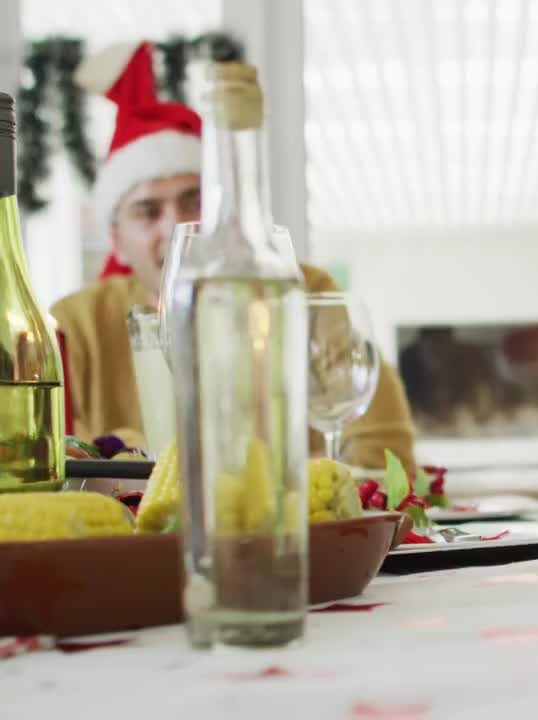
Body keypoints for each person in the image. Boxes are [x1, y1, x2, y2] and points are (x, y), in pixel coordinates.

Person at [51, 42, 417, 470]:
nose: (174, 228)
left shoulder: (303, 293)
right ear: (116, 241)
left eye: (195, 199)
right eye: (148, 211)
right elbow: (53, 460)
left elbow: (385, 453)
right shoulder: (76, 325)